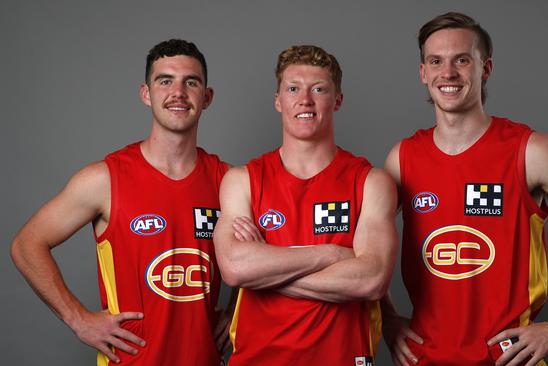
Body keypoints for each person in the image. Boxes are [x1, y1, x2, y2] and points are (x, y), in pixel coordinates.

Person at [380, 12, 548, 366]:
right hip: (426, 359)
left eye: (462, 60)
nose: (448, 73)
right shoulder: (402, 158)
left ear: (485, 69)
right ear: (423, 73)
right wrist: (387, 321)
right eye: (436, 61)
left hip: (508, 360)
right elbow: (361, 248)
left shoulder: (531, 151)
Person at [11, 39, 231, 365]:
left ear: (207, 97)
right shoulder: (104, 179)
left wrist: (238, 312)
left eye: (191, 82)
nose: (178, 93)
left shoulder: (227, 181)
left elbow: (266, 251)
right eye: (165, 81)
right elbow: (26, 245)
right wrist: (78, 319)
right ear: (146, 94)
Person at [213, 45, 398, 365]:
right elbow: (235, 268)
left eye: (320, 89)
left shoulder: (370, 182)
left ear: (337, 100)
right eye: (293, 88)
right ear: (278, 100)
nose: (305, 100)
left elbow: (371, 280)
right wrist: (330, 254)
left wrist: (266, 273)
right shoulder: (242, 179)